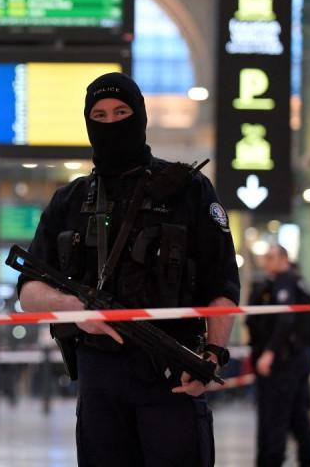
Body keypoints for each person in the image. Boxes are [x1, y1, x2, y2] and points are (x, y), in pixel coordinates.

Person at [18, 72, 240, 467]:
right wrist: (74, 310)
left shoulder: (188, 190)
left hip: (172, 371)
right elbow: (28, 291)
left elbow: (222, 282)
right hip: (98, 377)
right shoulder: (69, 200)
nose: (111, 123)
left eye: (121, 112)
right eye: (99, 116)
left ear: (140, 116)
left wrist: (213, 353)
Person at [246, 244, 310, 467]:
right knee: (296, 412)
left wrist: (269, 353)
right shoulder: (280, 283)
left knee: (276, 415)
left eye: (270, 257)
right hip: (293, 359)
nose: (266, 262)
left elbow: (285, 321)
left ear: (283, 259)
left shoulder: (286, 282)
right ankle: (307, 458)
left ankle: (271, 460)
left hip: (284, 361)